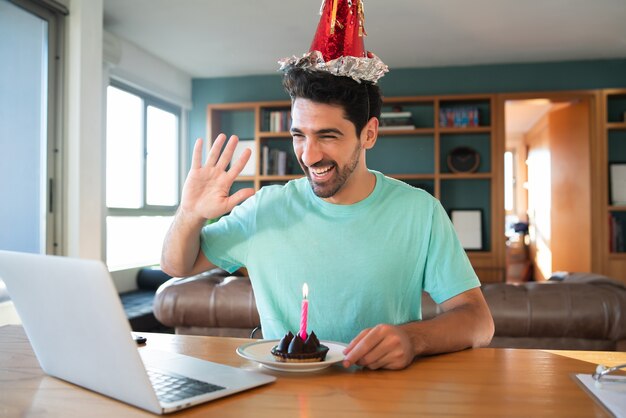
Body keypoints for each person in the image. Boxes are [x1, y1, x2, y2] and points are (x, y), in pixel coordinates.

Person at [161, 67, 494, 370]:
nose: (309, 154)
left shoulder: (420, 211)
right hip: (282, 395)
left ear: (369, 133)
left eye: (327, 136)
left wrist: (413, 339)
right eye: (299, 135)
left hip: (383, 396)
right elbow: (178, 265)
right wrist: (189, 213)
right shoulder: (263, 209)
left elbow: (478, 320)